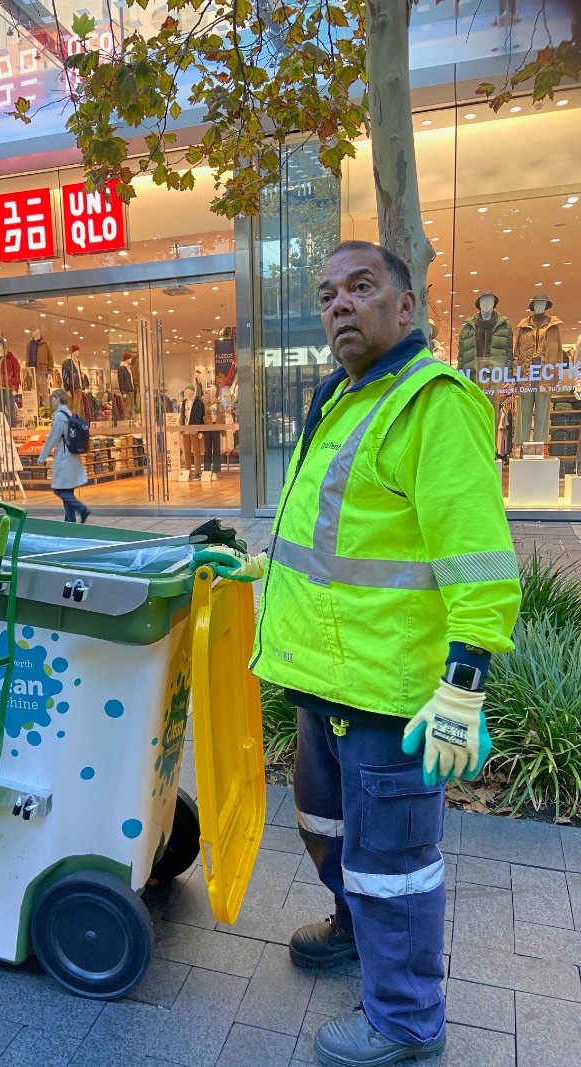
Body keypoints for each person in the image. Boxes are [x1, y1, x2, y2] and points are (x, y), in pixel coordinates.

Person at [192, 240, 521, 1067]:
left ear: (405, 307)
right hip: (322, 684)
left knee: (395, 863)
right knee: (327, 829)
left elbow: (479, 561)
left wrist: (462, 688)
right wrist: (257, 565)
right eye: (328, 292)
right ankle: (353, 928)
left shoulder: (432, 404)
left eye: (361, 288)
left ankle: (407, 1021)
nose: (339, 304)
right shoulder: (342, 399)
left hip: (389, 701)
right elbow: (336, 544)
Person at [38, 389, 91, 523]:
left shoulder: (60, 416)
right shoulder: (69, 413)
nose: (51, 402)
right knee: (68, 489)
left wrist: (42, 457)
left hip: (64, 456)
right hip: (72, 455)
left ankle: (82, 509)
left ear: (57, 399)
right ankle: (70, 521)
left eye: (52, 399)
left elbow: (52, 438)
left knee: (58, 489)